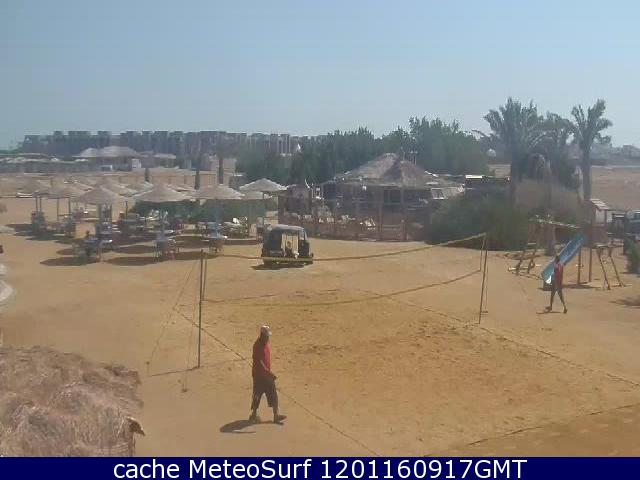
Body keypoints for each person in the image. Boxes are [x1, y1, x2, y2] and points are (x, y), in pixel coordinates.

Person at [249, 325, 286, 424]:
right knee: (257, 395)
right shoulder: (257, 346)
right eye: (267, 336)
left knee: (273, 393)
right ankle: (254, 414)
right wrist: (270, 373)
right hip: (259, 375)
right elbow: (261, 363)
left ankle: (276, 415)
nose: (268, 338)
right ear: (262, 335)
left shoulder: (265, 343)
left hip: (265, 374)